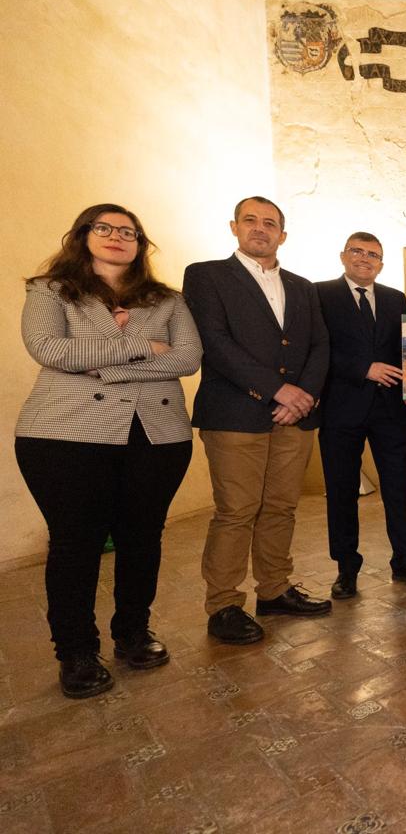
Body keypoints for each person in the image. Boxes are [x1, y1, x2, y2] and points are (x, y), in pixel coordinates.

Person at [15, 204, 200, 698]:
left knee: (143, 538)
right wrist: (145, 348)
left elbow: (187, 357)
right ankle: (75, 651)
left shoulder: (168, 299)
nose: (117, 237)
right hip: (64, 434)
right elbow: (52, 351)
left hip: (157, 434)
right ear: (83, 235)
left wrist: (102, 364)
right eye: (105, 228)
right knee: (76, 543)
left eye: (129, 232)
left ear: (141, 244)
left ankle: (133, 633)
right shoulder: (49, 290)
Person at [183, 196, 331, 646]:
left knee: (281, 507)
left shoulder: (303, 286)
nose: (260, 229)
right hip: (235, 414)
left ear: (282, 235)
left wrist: (301, 398)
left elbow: (319, 346)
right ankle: (224, 604)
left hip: (295, 418)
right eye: (251, 220)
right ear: (234, 227)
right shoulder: (206, 276)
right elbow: (214, 341)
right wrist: (276, 390)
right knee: (236, 511)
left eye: (270, 223)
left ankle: (274, 589)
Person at [315, 232, 406, 599]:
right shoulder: (319, 294)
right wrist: (362, 367)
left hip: (391, 409)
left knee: (399, 489)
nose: (365, 259)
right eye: (358, 252)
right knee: (342, 491)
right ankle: (346, 567)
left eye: (373, 255)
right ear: (343, 255)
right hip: (340, 408)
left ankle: (404, 559)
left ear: (381, 263)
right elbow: (315, 349)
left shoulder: (396, 299)